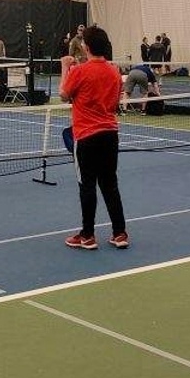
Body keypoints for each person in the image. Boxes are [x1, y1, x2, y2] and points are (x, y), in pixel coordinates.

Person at [60, 26, 129, 250]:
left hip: (86, 136)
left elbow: (63, 96)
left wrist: (65, 68)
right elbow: (114, 104)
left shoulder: (79, 71)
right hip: (110, 134)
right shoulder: (114, 72)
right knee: (110, 184)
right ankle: (120, 233)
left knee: (87, 185)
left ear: (86, 47)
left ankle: (87, 235)